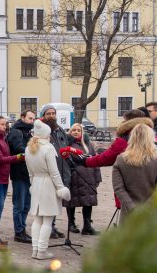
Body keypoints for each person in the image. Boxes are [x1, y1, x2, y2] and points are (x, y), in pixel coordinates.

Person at [112, 124, 157, 273]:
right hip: (154, 214)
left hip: (131, 214)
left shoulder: (121, 160)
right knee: (151, 251)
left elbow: (118, 188)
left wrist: (133, 207)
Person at [25, 119, 70, 260]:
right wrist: (61, 187)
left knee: (37, 219)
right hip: (48, 184)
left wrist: (33, 184)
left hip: (36, 183)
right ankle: (42, 250)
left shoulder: (28, 148)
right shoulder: (48, 148)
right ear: (46, 134)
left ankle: (35, 250)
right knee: (47, 220)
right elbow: (54, 172)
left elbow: (30, 172)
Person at [0, 115, 24, 250]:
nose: (5, 126)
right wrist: (18, 157)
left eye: (6, 124)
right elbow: (0, 159)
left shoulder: (1, 138)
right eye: (2, 124)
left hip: (2, 178)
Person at [38, 105, 74, 239]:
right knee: (47, 202)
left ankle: (52, 226)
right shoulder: (41, 132)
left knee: (56, 202)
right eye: (48, 113)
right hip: (48, 172)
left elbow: (66, 147)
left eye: (53, 113)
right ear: (43, 115)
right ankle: (46, 228)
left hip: (62, 170)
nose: (51, 116)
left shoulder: (60, 131)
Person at [61, 121, 101, 235]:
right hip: (74, 177)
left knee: (88, 201)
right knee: (71, 202)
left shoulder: (88, 144)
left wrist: (97, 177)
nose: (76, 132)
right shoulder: (67, 145)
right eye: (74, 130)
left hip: (89, 177)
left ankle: (87, 226)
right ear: (70, 132)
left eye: (78, 130)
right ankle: (71, 224)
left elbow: (95, 160)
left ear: (82, 132)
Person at [6, 109, 36, 243]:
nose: (32, 121)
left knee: (27, 204)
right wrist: (35, 151)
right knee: (19, 204)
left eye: (33, 119)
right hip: (19, 173)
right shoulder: (16, 131)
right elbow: (19, 148)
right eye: (30, 118)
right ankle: (19, 231)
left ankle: (22, 229)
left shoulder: (29, 131)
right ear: (22, 117)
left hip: (28, 173)